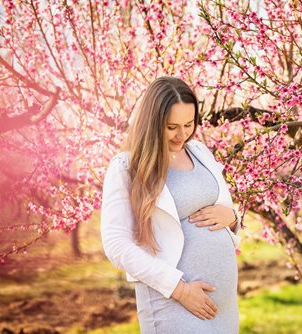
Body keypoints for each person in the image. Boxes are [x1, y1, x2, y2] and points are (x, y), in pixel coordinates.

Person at [100, 77, 242, 334]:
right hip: (172, 302)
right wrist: (180, 290)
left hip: (223, 307)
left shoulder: (199, 151)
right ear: (152, 123)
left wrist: (232, 217)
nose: (182, 134)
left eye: (189, 124)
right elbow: (116, 244)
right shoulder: (126, 167)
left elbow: (223, 208)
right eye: (172, 127)